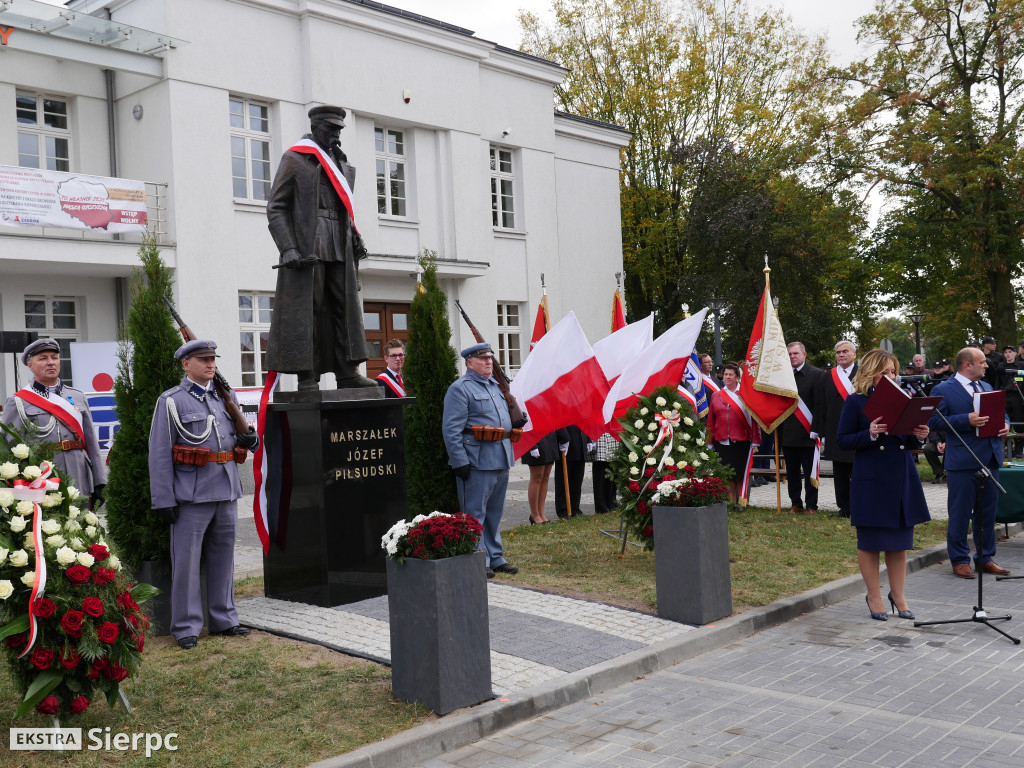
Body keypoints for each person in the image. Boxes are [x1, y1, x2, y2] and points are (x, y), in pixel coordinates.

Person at [148, 339, 259, 649]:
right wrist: (164, 499)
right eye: (203, 359)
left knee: (224, 558)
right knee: (186, 562)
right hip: (191, 495)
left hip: (225, 488)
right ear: (186, 364)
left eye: (212, 358)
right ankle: (185, 627)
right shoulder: (171, 401)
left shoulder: (226, 396)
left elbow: (245, 437)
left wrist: (251, 439)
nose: (210, 364)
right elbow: (159, 454)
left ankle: (224, 619)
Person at [265, 105, 375, 391]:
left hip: (338, 243)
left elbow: (343, 209)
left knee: (344, 309)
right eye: (330, 130)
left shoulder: (341, 164)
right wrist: (288, 248)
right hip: (308, 246)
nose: (335, 136)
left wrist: (353, 234)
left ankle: (348, 371)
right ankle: (307, 375)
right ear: (315, 129)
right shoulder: (295, 158)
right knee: (309, 311)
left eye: (338, 130)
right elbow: (276, 207)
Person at [836, 349, 931, 621]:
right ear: (871, 373)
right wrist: (869, 433)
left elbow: (910, 442)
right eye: (885, 372)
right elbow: (842, 440)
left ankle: (898, 595)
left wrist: (920, 436)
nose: (891, 376)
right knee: (870, 542)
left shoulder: (904, 400)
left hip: (901, 476)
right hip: (872, 480)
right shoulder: (856, 402)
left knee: (899, 542)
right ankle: (874, 595)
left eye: (893, 372)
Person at [929, 347, 1012, 579]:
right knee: (960, 513)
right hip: (963, 461)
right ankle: (959, 560)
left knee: (987, 513)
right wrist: (966, 419)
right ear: (967, 365)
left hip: (990, 458)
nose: (987, 366)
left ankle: (985, 557)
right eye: (982, 362)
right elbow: (933, 420)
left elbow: (1001, 413)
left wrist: (1006, 424)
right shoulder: (943, 389)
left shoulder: (986, 387)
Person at [442, 342, 522, 577]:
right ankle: (477, 559)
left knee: (495, 513)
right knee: (474, 514)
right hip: (476, 460)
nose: (488, 362)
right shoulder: (460, 389)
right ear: (469, 363)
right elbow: (451, 430)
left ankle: (495, 557)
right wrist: (459, 461)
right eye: (482, 359)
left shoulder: (496, 386)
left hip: (500, 457)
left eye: (489, 358)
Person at [1, 338, 106, 508]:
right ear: (30, 365)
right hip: (42, 479)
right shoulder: (18, 401)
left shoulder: (78, 397)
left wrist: (100, 481)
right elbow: (8, 448)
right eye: (43, 358)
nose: (51, 362)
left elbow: (91, 444)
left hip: (80, 474)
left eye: (54, 357)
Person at [814, 340, 858, 519]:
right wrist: (820, 431)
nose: (841, 355)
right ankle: (844, 508)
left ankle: (859, 506)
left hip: (857, 431)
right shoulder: (828, 376)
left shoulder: (863, 373)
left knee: (858, 472)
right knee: (839, 473)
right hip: (835, 432)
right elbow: (821, 405)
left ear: (854, 354)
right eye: (838, 352)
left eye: (845, 351)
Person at [705, 362, 759, 503]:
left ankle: (741, 501)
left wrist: (756, 439)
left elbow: (754, 419)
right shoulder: (716, 396)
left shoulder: (745, 395)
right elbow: (711, 420)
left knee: (740, 474)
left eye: (730, 375)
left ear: (737, 377)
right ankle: (729, 503)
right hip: (722, 441)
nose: (727, 377)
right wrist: (709, 441)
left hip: (742, 440)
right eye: (725, 374)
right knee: (727, 474)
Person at [780, 342, 822, 513]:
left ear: (804, 355)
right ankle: (795, 503)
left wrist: (818, 429)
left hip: (809, 432)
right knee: (792, 472)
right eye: (789, 354)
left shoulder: (817, 374)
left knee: (810, 472)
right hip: (788, 432)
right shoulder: (782, 376)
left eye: (795, 353)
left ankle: (812, 505)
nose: (792, 357)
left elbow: (820, 405)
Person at [522, 432, 557, 524]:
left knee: (545, 476)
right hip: (535, 438)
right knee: (537, 476)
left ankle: (541, 513)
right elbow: (526, 423)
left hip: (549, 436)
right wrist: (532, 446)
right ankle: (534, 514)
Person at [554, 425, 587, 519]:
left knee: (577, 479)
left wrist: (588, 440)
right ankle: (563, 509)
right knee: (563, 479)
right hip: (566, 440)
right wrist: (563, 437)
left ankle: (575, 507)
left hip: (580, 440)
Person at [589, 432, 618, 513]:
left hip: (612, 437)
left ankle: (612, 503)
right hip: (600, 437)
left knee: (612, 475)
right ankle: (601, 507)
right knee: (600, 475)